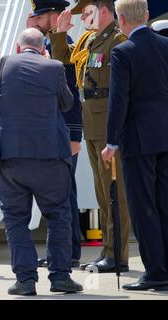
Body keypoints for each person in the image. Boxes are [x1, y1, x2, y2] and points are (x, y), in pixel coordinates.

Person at [0, 28, 83, 295]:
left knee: (16, 219)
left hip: (11, 158)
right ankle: (60, 277)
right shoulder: (53, 67)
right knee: (59, 215)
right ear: (42, 48)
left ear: (19, 47)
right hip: (51, 157)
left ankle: (25, 280)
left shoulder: (0, 66)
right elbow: (66, 102)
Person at [50, 0, 131, 273]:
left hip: (108, 126)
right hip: (93, 125)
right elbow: (64, 59)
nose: (83, 17)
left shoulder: (117, 40)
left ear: (104, 11)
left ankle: (116, 255)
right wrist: (60, 32)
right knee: (102, 193)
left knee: (114, 195)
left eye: (88, 12)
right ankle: (108, 251)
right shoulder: (90, 40)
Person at [102, 0, 168, 290]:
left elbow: (119, 101)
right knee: (164, 204)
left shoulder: (123, 51)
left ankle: (156, 272)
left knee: (143, 208)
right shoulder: (166, 45)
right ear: (148, 15)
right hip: (165, 135)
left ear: (120, 19)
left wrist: (111, 141)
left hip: (138, 139)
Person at [27, 0, 83, 269]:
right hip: (52, 131)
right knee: (58, 193)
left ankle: (67, 252)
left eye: (40, 17)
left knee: (62, 194)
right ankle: (64, 251)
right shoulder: (46, 46)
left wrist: (75, 136)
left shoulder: (63, 45)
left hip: (63, 132)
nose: (36, 21)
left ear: (54, 16)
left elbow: (71, 93)